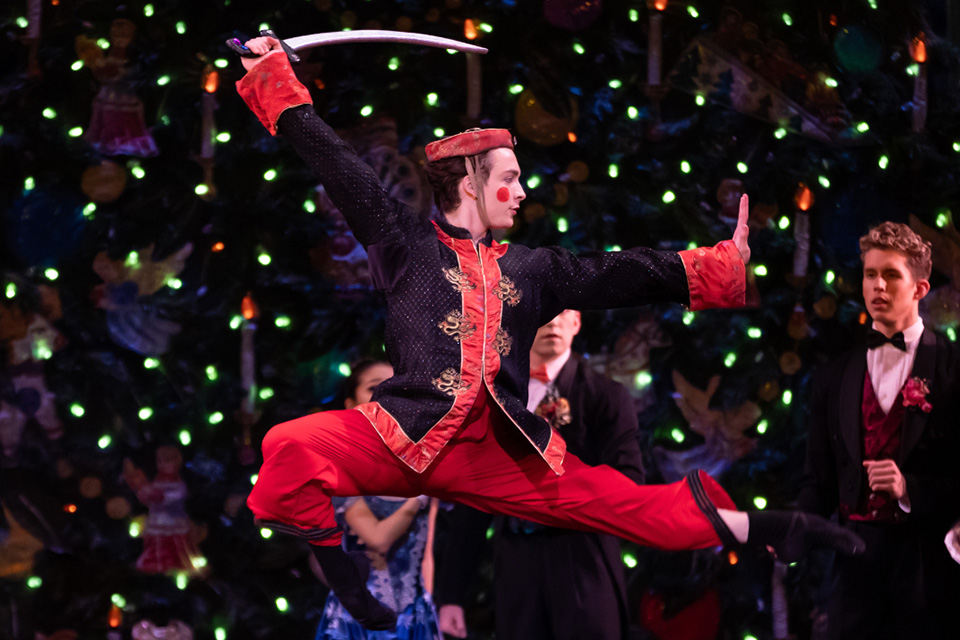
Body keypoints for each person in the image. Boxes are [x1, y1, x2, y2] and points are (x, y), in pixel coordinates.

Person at [235, 37, 863, 631]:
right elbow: (338, 164)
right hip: (402, 429)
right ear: (469, 181)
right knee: (288, 444)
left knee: (626, 505)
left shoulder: (532, 269)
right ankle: (347, 583)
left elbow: (618, 274)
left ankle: (781, 526)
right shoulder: (404, 241)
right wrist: (273, 72)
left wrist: (716, 262)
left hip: (493, 450)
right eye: (508, 176)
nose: (521, 189)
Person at [435, 309, 643, 639]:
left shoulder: (605, 395)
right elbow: (472, 503)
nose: (554, 322)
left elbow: (629, 479)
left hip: (582, 555)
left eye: (564, 313)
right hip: (517, 559)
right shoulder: (494, 400)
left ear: (576, 323)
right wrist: (451, 596)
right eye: (543, 312)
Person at [798, 222, 960, 640]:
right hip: (852, 565)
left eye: (891, 275)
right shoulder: (835, 376)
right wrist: (793, 534)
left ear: (920, 289)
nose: (877, 286)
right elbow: (818, 477)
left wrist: (910, 490)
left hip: (927, 561)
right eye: (870, 274)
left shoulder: (953, 368)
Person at [314, 360, 441, 640]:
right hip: (359, 620)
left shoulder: (420, 465)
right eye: (374, 387)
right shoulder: (341, 469)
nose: (386, 395)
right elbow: (377, 539)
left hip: (413, 617)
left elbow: (427, 550)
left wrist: (428, 607)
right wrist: (419, 497)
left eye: (396, 387)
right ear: (350, 403)